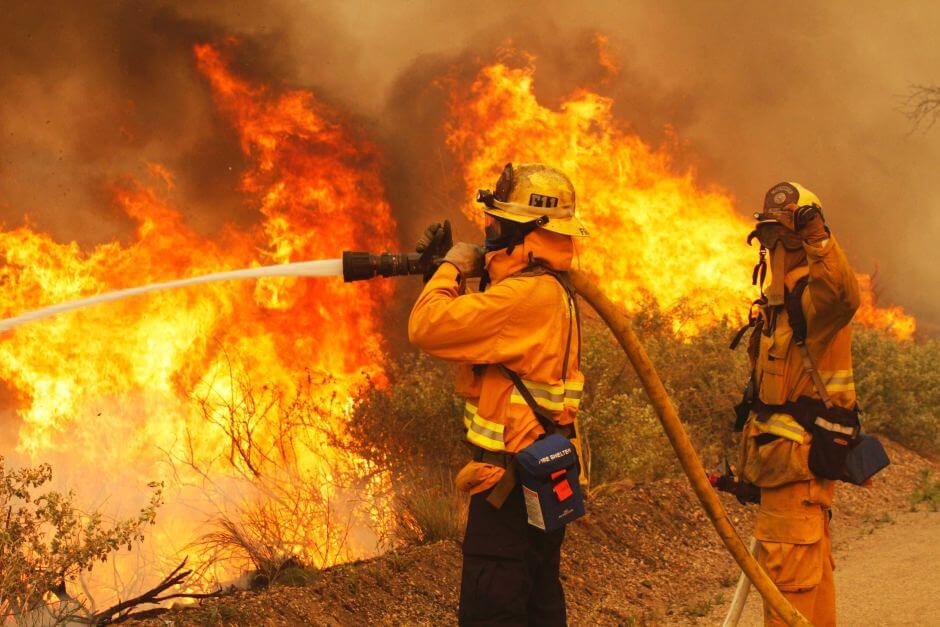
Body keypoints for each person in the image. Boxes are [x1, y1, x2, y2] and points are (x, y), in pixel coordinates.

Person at [408, 163, 589, 626]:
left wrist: (451, 268)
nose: (490, 234)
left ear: (529, 232)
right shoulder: (548, 289)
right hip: (539, 479)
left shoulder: (524, 298)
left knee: (494, 608)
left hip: (508, 493)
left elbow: (426, 328)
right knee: (538, 604)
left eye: (499, 225)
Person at [735, 182, 860, 626]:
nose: (777, 249)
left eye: (788, 238)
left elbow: (843, 294)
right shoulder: (780, 304)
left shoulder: (814, 299)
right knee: (809, 592)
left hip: (797, 472)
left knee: (788, 596)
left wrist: (817, 237)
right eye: (771, 237)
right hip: (781, 472)